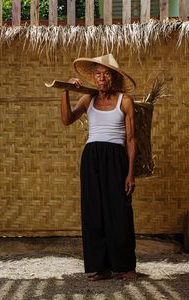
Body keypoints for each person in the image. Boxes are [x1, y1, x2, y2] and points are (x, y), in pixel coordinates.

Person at [60, 54, 137, 281]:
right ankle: (101, 267)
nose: (101, 78)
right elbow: (67, 119)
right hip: (91, 157)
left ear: (113, 77)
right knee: (94, 212)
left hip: (116, 158)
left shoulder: (125, 101)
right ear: (93, 78)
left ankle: (125, 266)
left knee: (119, 212)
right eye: (97, 74)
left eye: (106, 73)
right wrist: (65, 91)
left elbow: (131, 139)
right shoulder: (87, 100)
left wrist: (130, 173)